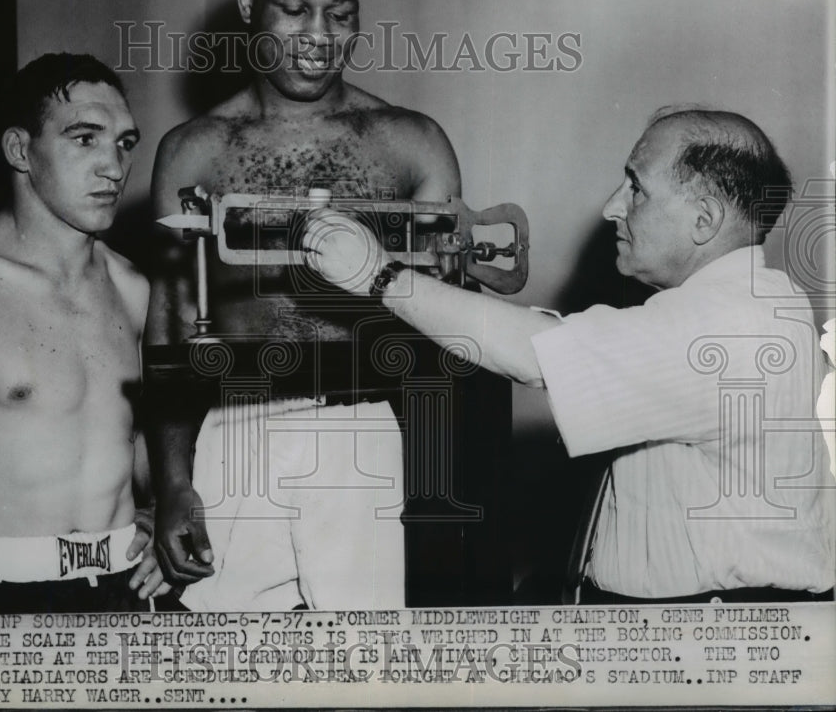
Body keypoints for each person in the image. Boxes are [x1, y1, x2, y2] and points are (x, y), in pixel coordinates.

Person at [304, 107, 835, 603]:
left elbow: (535, 354)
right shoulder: (747, 306)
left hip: (716, 642)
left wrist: (378, 276)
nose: (612, 207)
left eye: (636, 188)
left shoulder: (725, 327)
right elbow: (562, 341)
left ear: (703, 220)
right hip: (692, 624)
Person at [147, 0, 462, 610]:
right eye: (294, 9)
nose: (318, 38)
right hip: (235, 428)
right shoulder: (193, 151)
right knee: (225, 663)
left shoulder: (412, 145)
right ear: (251, 1)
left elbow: (452, 322)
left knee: (363, 671)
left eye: (340, 13)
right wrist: (172, 485)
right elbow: (168, 328)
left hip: (362, 431)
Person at [0, 53, 172, 613]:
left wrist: (162, 516)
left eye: (125, 143)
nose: (114, 167)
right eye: (85, 139)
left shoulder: (134, 289)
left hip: (125, 588)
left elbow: (139, 450)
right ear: (19, 150)